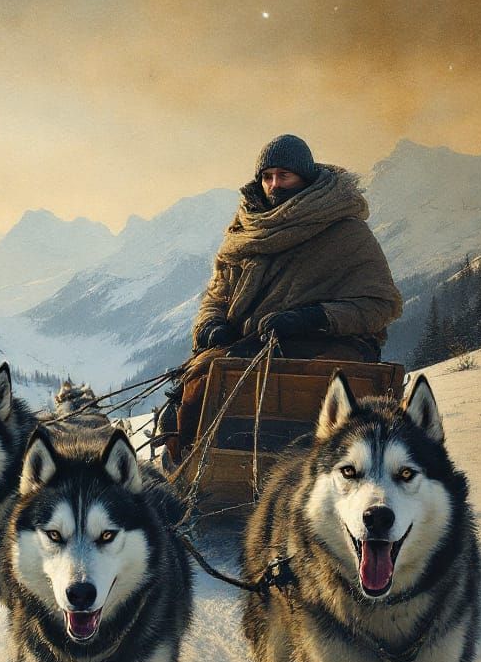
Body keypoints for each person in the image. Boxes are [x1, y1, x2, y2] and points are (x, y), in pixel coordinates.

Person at [161, 134, 403, 455]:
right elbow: (217, 295)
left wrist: (313, 318)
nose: (274, 184)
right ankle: (190, 472)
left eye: (284, 176)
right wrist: (212, 324)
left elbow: (380, 304)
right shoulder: (245, 232)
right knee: (200, 385)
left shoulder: (346, 233)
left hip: (328, 343)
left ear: (305, 178)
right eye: (267, 176)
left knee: (315, 392)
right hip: (252, 344)